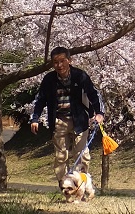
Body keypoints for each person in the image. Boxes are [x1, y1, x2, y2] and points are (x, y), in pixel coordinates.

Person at [30, 46, 105, 186]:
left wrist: (99, 113)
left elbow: (93, 94)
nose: (59, 65)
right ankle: (65, 187)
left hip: (80, 120)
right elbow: (40, 99)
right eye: (55, 62)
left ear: (69, 60)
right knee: (60, 157)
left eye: (62, 61)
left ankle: (80, 186)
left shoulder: (80, 76)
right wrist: (35, 119)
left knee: (82, 155)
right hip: (59, 120)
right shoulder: (49, 79)